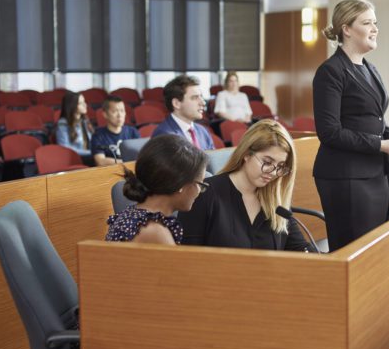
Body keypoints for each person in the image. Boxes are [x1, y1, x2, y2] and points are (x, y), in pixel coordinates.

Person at [312, 0, 389, 252]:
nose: (375, 28)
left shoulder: (371, 69)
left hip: (374, 174)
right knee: (353, 253)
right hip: (345, 176)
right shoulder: (331, 71)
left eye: (375, 22)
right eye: (367, 22)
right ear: (346, 29)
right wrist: (382, 145)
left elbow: (373, 121)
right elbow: (329, 132)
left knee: (372, 252)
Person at [178, 119, 314, 252]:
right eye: (267, 162)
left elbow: (300, 247)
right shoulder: (205, 193)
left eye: (280, 166)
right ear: (247, 154)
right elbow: (188, 256)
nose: (273, 173)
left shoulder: (276, 201)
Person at [106, 134, 208, 245]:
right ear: (181, 185)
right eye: (200, 184)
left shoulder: (132, 215)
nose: (199, 191)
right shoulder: (154, 231)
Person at [151, 75, 215, 150]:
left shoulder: (203, 131)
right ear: (176, 103)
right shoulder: (164, 135)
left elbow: (213, 160)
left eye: (201, 97)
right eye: (194, 98)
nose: (203, 103)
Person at [91, 96, 140, 166]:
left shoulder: (132, 132)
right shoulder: (98, 135)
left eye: (122, 111)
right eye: (114, 111)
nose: (119, 115)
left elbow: (140, 156)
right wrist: (126, 162)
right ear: (105, 114)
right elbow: (100, 161)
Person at [56, 91, 94, 165]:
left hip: (88, 157)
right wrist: (92, 152)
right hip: (75, 159)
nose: (85, 105)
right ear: (72, 105)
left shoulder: (84, 121)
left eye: (84, 102)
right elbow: (66, 149)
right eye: (81, 103)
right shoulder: (63, 124)